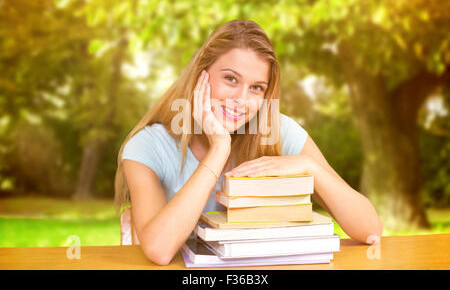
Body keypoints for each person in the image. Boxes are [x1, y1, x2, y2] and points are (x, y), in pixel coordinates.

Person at [115, 19, 383, 265]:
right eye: (230, 79)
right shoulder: (147, 147)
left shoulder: (279, 131)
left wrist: (309, 166)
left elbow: (370, 228)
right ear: (201, 75)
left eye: (256, 87)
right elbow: (159, 250)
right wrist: (219, 148)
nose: (242, 99)